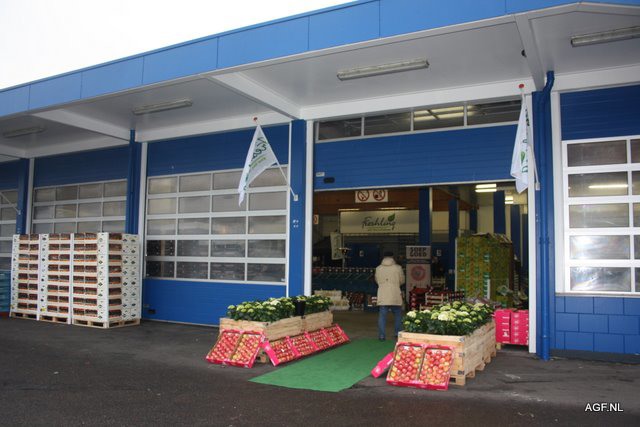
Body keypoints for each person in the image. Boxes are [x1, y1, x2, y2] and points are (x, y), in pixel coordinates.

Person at [375, 252, 405, 341]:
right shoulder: (398, 268)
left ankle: (381, 335)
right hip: (395, 293)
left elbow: (377, 280)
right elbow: (402, 280)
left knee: (382, 316)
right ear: (392, 257)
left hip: (383, 294)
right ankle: (397, 334)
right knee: (398, 315)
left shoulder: (378, 268)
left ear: (383, 257)